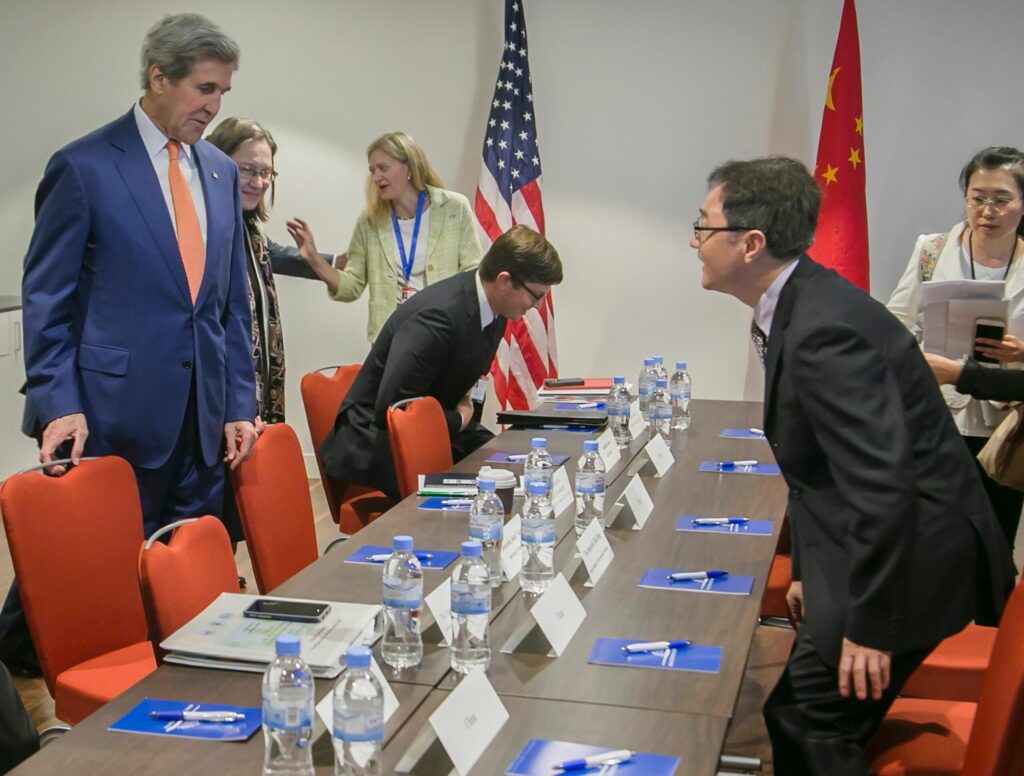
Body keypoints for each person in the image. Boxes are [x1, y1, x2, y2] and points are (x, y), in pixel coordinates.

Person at [691, 155, 1015, 775]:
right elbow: (822, 478)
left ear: (751, 243)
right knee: (797, 714)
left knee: (808, 717)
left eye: (704, 226)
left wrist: (867, 625)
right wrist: (813, 573)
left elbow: (883, 484)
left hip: (916, 562)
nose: (694, 241)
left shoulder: (822, 330)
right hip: (885, 549)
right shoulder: (800, 303)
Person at [20, 13, 256, 536]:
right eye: (204, 88)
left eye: (223, 91)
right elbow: (46, 301)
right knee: (96, 581)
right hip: (111, 423)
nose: (215, 106)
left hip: (204, 428)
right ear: (158, 77)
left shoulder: (221, 171)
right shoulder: (84, 167)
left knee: (189, 582)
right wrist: (59, 405)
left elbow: (232, 305)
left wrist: (240, 403)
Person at [319, 225, 561, 501]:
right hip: (374, 441)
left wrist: (461, 419)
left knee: (517, 470)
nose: (538, 306)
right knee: (487, 495)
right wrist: (459, 418)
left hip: (437, 422)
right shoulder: (439, 317)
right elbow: (395, 409)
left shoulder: (497, 310)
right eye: (536, 295)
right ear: (504, 280)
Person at [887, 147, 1024, 550]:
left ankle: (986, 614)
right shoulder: (932, 250)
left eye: (1001, 200)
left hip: (1004, 424)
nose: (987, 211)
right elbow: (895, 322)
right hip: (934, 415)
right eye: (977, 198)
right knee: (930, 537)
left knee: (993, 540)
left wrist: (1019, 353)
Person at [206, 117, 341, 426]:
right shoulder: (206, 229)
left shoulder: (250, 227)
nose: (259, 182)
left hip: (256, 382)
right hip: (221, 391)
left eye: (265, 172)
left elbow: (279, 255)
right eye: (247, 170)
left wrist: (345, 261)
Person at [287, 131, 481, 343]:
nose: (376, 177)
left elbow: (471, 275)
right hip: (391, 340)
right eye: (372, 170)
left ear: (408, 167)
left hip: (442, 335)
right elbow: (351, 286)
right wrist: (313, 258)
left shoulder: (453, 208)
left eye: (383, 168)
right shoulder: (370, 221)